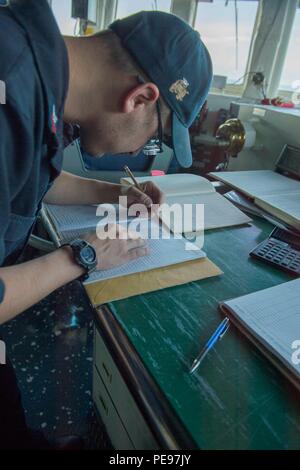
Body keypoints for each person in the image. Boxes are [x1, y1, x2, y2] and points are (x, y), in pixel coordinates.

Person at [0, 0, 212, 449]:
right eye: (155, 137)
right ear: (139, 98)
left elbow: (31, 174)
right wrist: (85, 255)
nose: (145, 148)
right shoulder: (10, 94)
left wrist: (113, 193)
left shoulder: (37, 74)